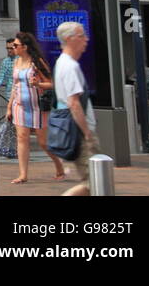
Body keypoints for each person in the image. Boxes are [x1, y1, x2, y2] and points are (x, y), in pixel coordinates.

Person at [8, 31, 64, 183]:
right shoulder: (16, 62)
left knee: (43, 142)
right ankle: (23, 174)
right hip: (19, 105)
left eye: (16, 45)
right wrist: (9, 107)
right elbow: (15, 86)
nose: (13, 47)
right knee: (22, 137)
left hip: (37, 106)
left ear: (24, 47)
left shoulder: (37, 62)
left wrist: (38, 84)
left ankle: (59, 165)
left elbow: (51, 83)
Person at [54, 22, 99, 197]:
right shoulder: (69, 66)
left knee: (95, 182)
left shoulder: (63, 63)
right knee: (94, 183)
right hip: (79, 133)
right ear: (69, 39)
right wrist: (87, 133)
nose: (86, 40)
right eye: (81, 36)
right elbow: (73, 103)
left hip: (75, 131)